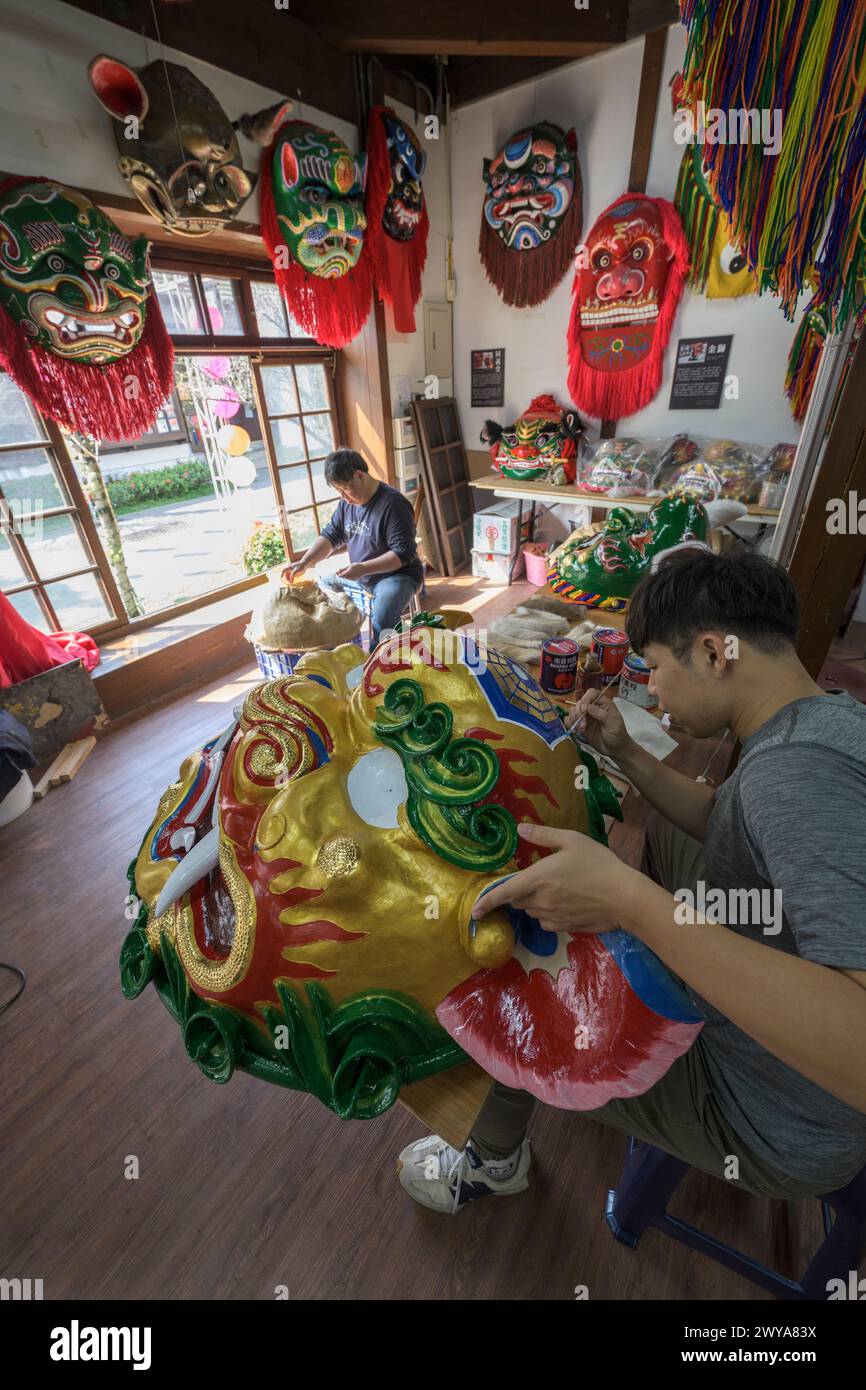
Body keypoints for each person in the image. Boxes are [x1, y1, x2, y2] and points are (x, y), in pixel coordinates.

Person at [397, 547, 866, 1214]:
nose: (654, 690)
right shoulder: (823, 718)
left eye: (657, 669)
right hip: (775, 987)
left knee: (502, 989)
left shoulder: (791, 782)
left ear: (713, 653)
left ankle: (493, 1164)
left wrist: (634, 904)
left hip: (772, 1114)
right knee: (664, 835)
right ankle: (646, 947)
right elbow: (726, 817)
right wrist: (626, 753)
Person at [284, 448, 423, 645]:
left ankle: (379, 668)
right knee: (323, 584)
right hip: (361, 575)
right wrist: (304, 562)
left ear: (359, 475)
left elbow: (403, 554)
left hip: (398, 576)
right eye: (338, 491)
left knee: (382, 618)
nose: (343, 497)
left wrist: (362, 568)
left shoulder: (393, 504)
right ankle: (347, 648)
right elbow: (331, 535)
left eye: (345, 489)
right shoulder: (347, 504)